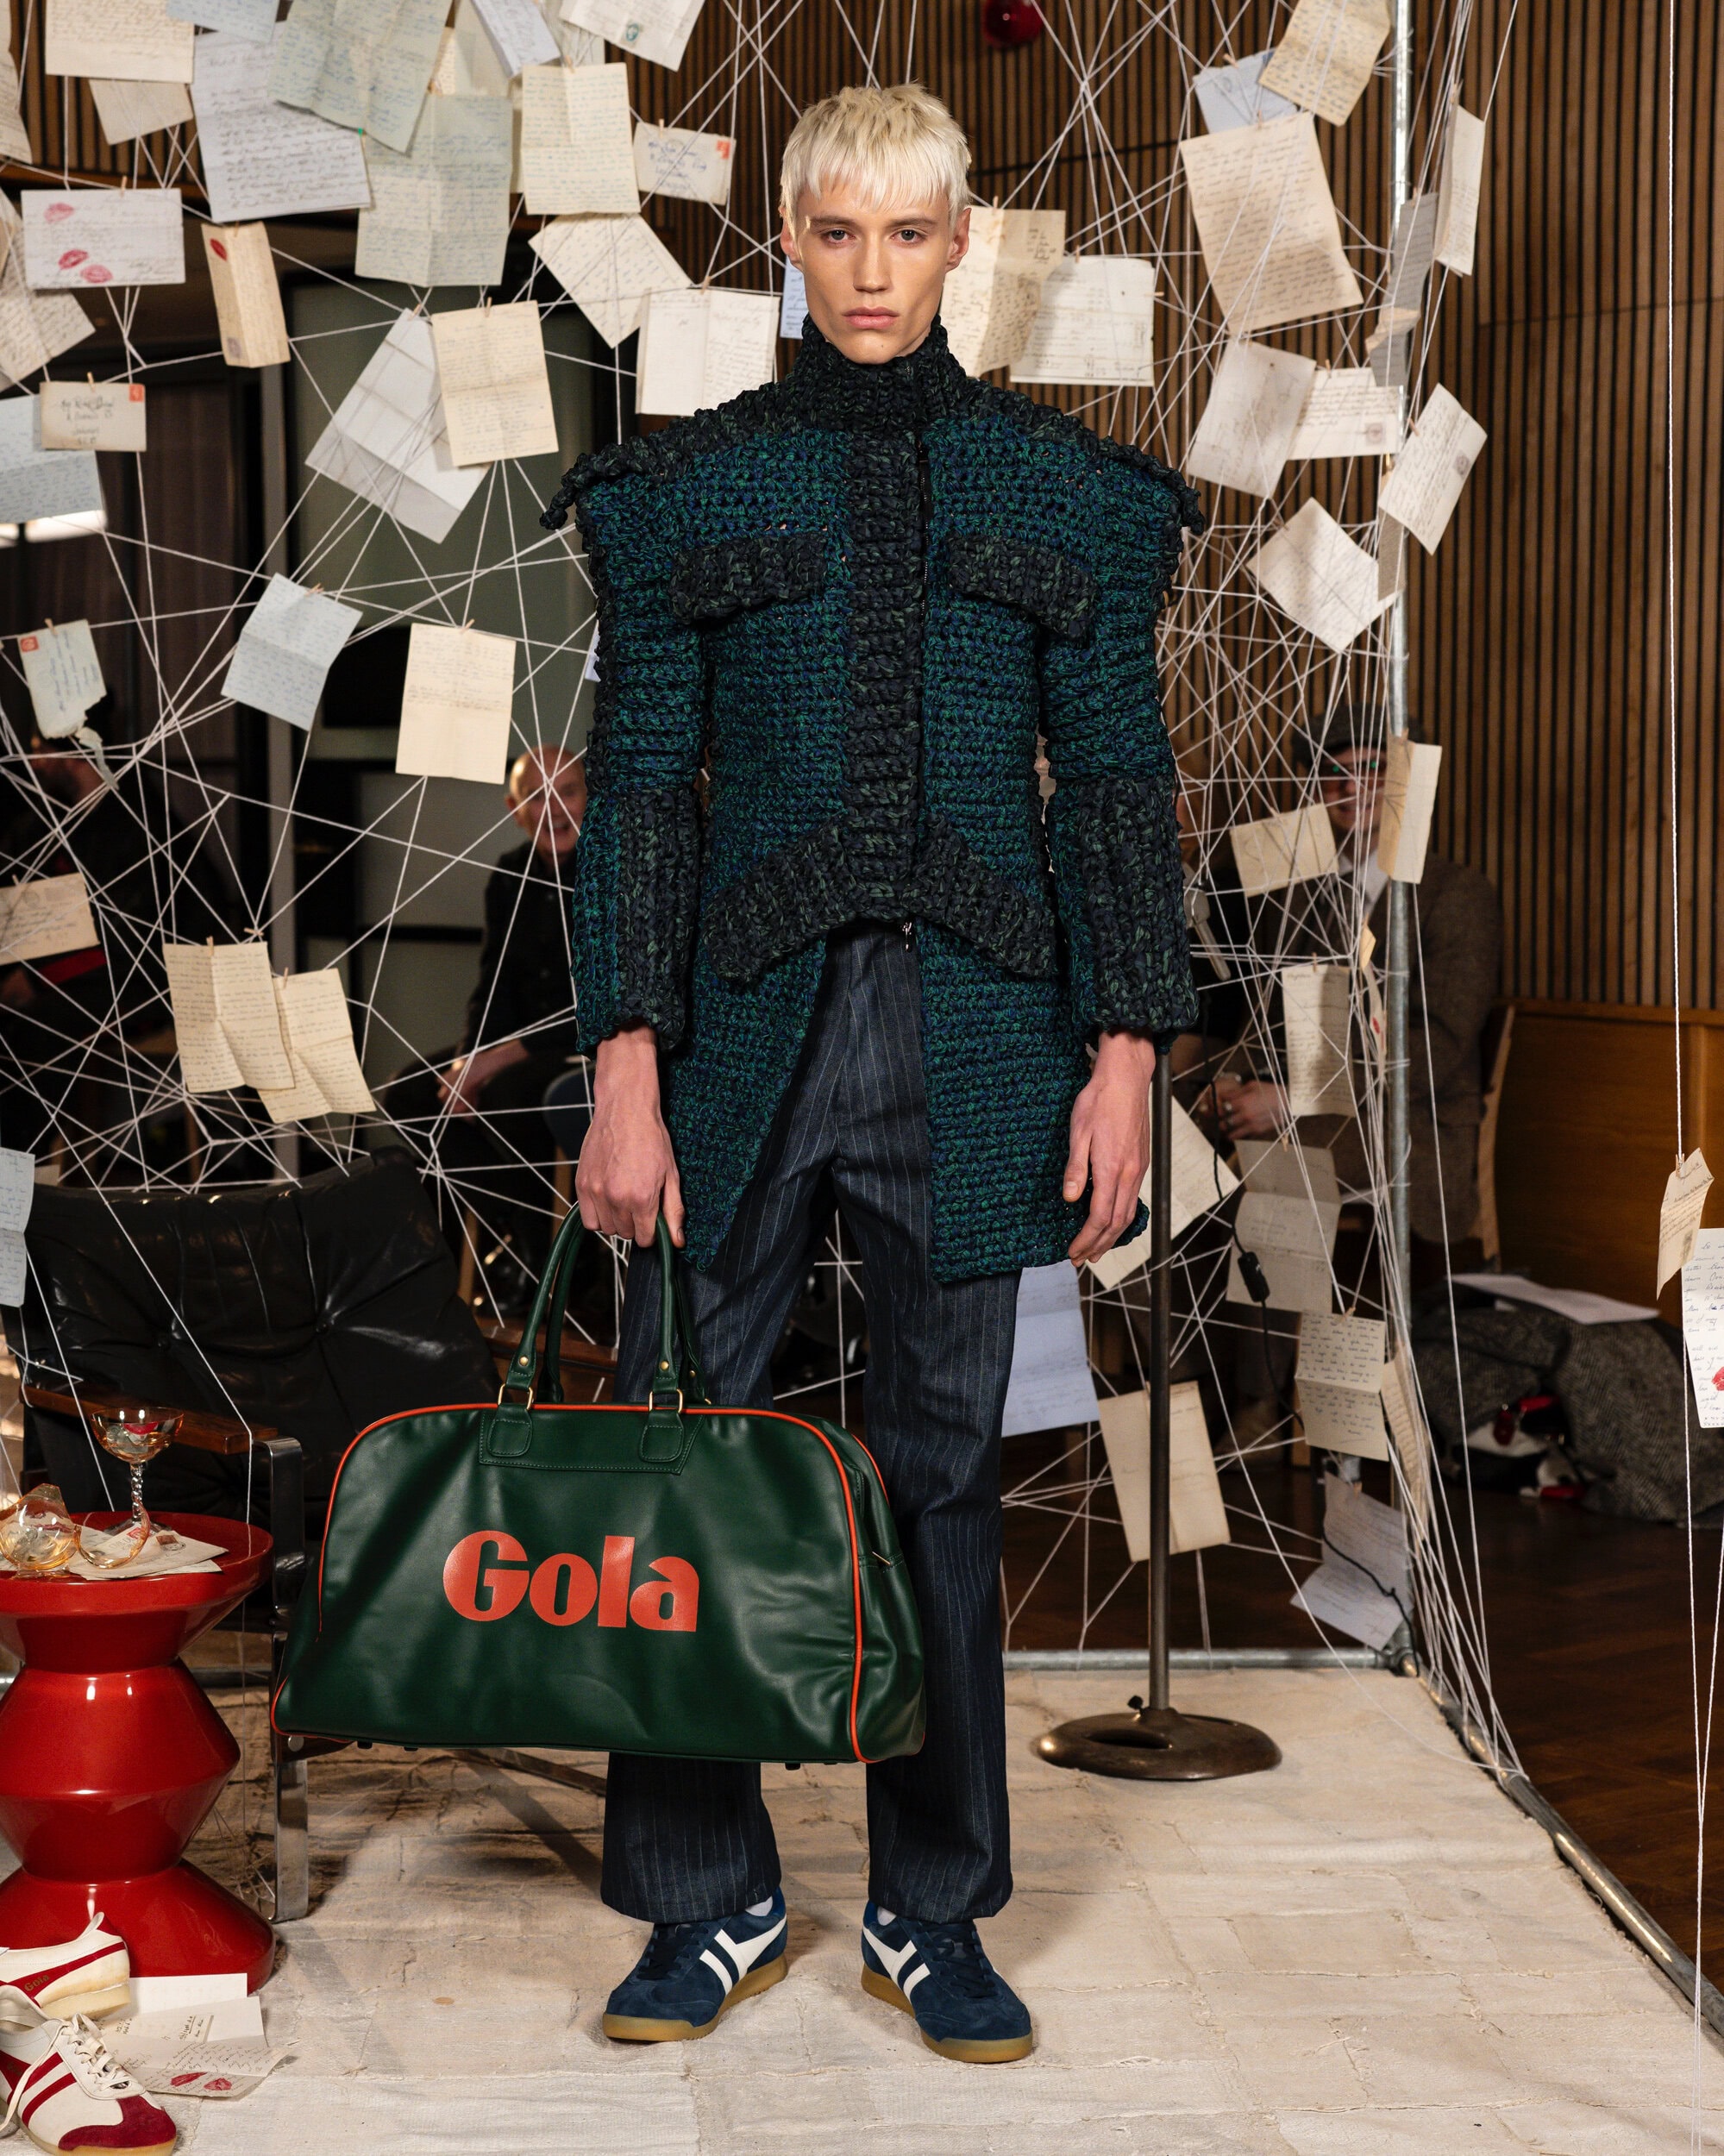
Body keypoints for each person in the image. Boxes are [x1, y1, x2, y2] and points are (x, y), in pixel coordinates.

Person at [539, 83, 1199, 2063]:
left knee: (942, 1475)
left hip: (981, 1036)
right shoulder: (690, 488)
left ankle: (933, 1902)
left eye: (906, 232)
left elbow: (1116, 789)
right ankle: (704, 1892)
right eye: (835, 231)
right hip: (732, 1033)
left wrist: (1125, 1055)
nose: (871, 271)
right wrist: (623, 1066)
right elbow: (640, 792)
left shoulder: (1066, 493)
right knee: (684, 1457)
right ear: (789, 242)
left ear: (961, 240)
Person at [1211, 706, 1503, 1256]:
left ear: (1406, 782)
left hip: (1408, 1130)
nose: (1351, 787)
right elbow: (1264, 1017)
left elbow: (1435, 1051)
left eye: (1372, 769)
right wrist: (1231, 1081)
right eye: (1334, 772)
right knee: (1168, 1162)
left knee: (1260, 1177)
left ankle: (1273, 1318)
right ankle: (1146, 1315)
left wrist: (1295, 1100)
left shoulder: (1456, 896)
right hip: (1294, 1114)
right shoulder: (1296, 892)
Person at [373, 744, 586, 1290]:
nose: (553, 809)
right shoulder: (509, 875)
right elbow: (493, 986)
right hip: (516, 1046)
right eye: (536, 796)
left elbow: (602, 1004)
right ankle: (498, 1243)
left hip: (586, 1046)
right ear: (515, 810)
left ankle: (555, 1264)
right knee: (411, 1095)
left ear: (590, 796)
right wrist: (466, 1062)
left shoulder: (615, 870)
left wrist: (493, 1063)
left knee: (505, 1096)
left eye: (567, 792)